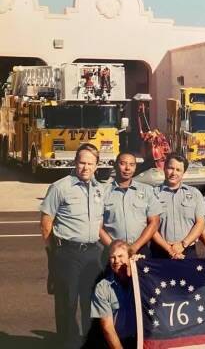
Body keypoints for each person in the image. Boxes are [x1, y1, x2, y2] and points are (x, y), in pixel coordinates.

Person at [40, 143, 105, 348]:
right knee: (67, 302)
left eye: (90, 163)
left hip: (93, 253)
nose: (85, 167)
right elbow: (46, 223)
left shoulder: (99, 189)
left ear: (97, 165)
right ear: (75, 162)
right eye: (82, 162)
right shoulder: (60, 187)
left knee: (90, 301)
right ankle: (67, 342)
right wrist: (54, 252)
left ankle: (88, 341)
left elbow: (99, 220)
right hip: (67, 253)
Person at [100, 152, 160, 258]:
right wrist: (114, 248)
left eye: (132, 165)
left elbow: (154, 222)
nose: (127, 168)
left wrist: (135, 247)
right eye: (123, 163)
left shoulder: (147, 190)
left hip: (140, 250)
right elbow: (97, 226)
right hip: (112, 253)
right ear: (115, 165)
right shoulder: (103, 192)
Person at [151, 153, 205, 259]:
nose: (174, 173)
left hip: (187, 251)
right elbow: (150, 227)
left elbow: (200, 223)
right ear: (164, 168)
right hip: (160, 253)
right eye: (170, 168)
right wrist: (169, 249)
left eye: (178, 170)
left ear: (183, 173)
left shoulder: (194, 193)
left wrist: (183, 244)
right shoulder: (152, 194)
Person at [89, 240, 137, 349]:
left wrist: (140, 267)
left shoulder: (142, 279)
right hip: (116, 342)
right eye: (112, 257)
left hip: (142, 340)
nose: (116, 261)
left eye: (120, 256)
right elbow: (107, 328)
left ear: (130, 257)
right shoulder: (102, 287)